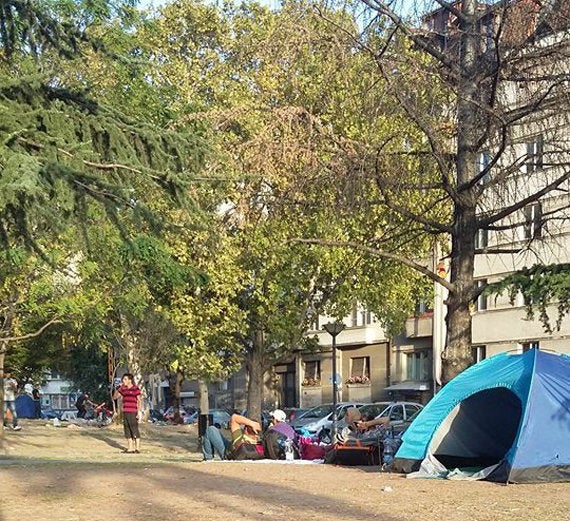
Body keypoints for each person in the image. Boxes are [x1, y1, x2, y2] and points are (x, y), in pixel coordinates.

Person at [113, 373, 143, 454]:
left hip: (133, 411)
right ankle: (130, 448)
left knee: (134, 429)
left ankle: (137, 448)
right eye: (123, 379)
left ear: (130, 380)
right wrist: (118, 389)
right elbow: (115, 397)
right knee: (127, 429)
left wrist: (139, 412)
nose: (124, 381)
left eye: (125, 379)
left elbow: (139, 401)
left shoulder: (135, 388)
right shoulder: (123, 389)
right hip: (125, 411)